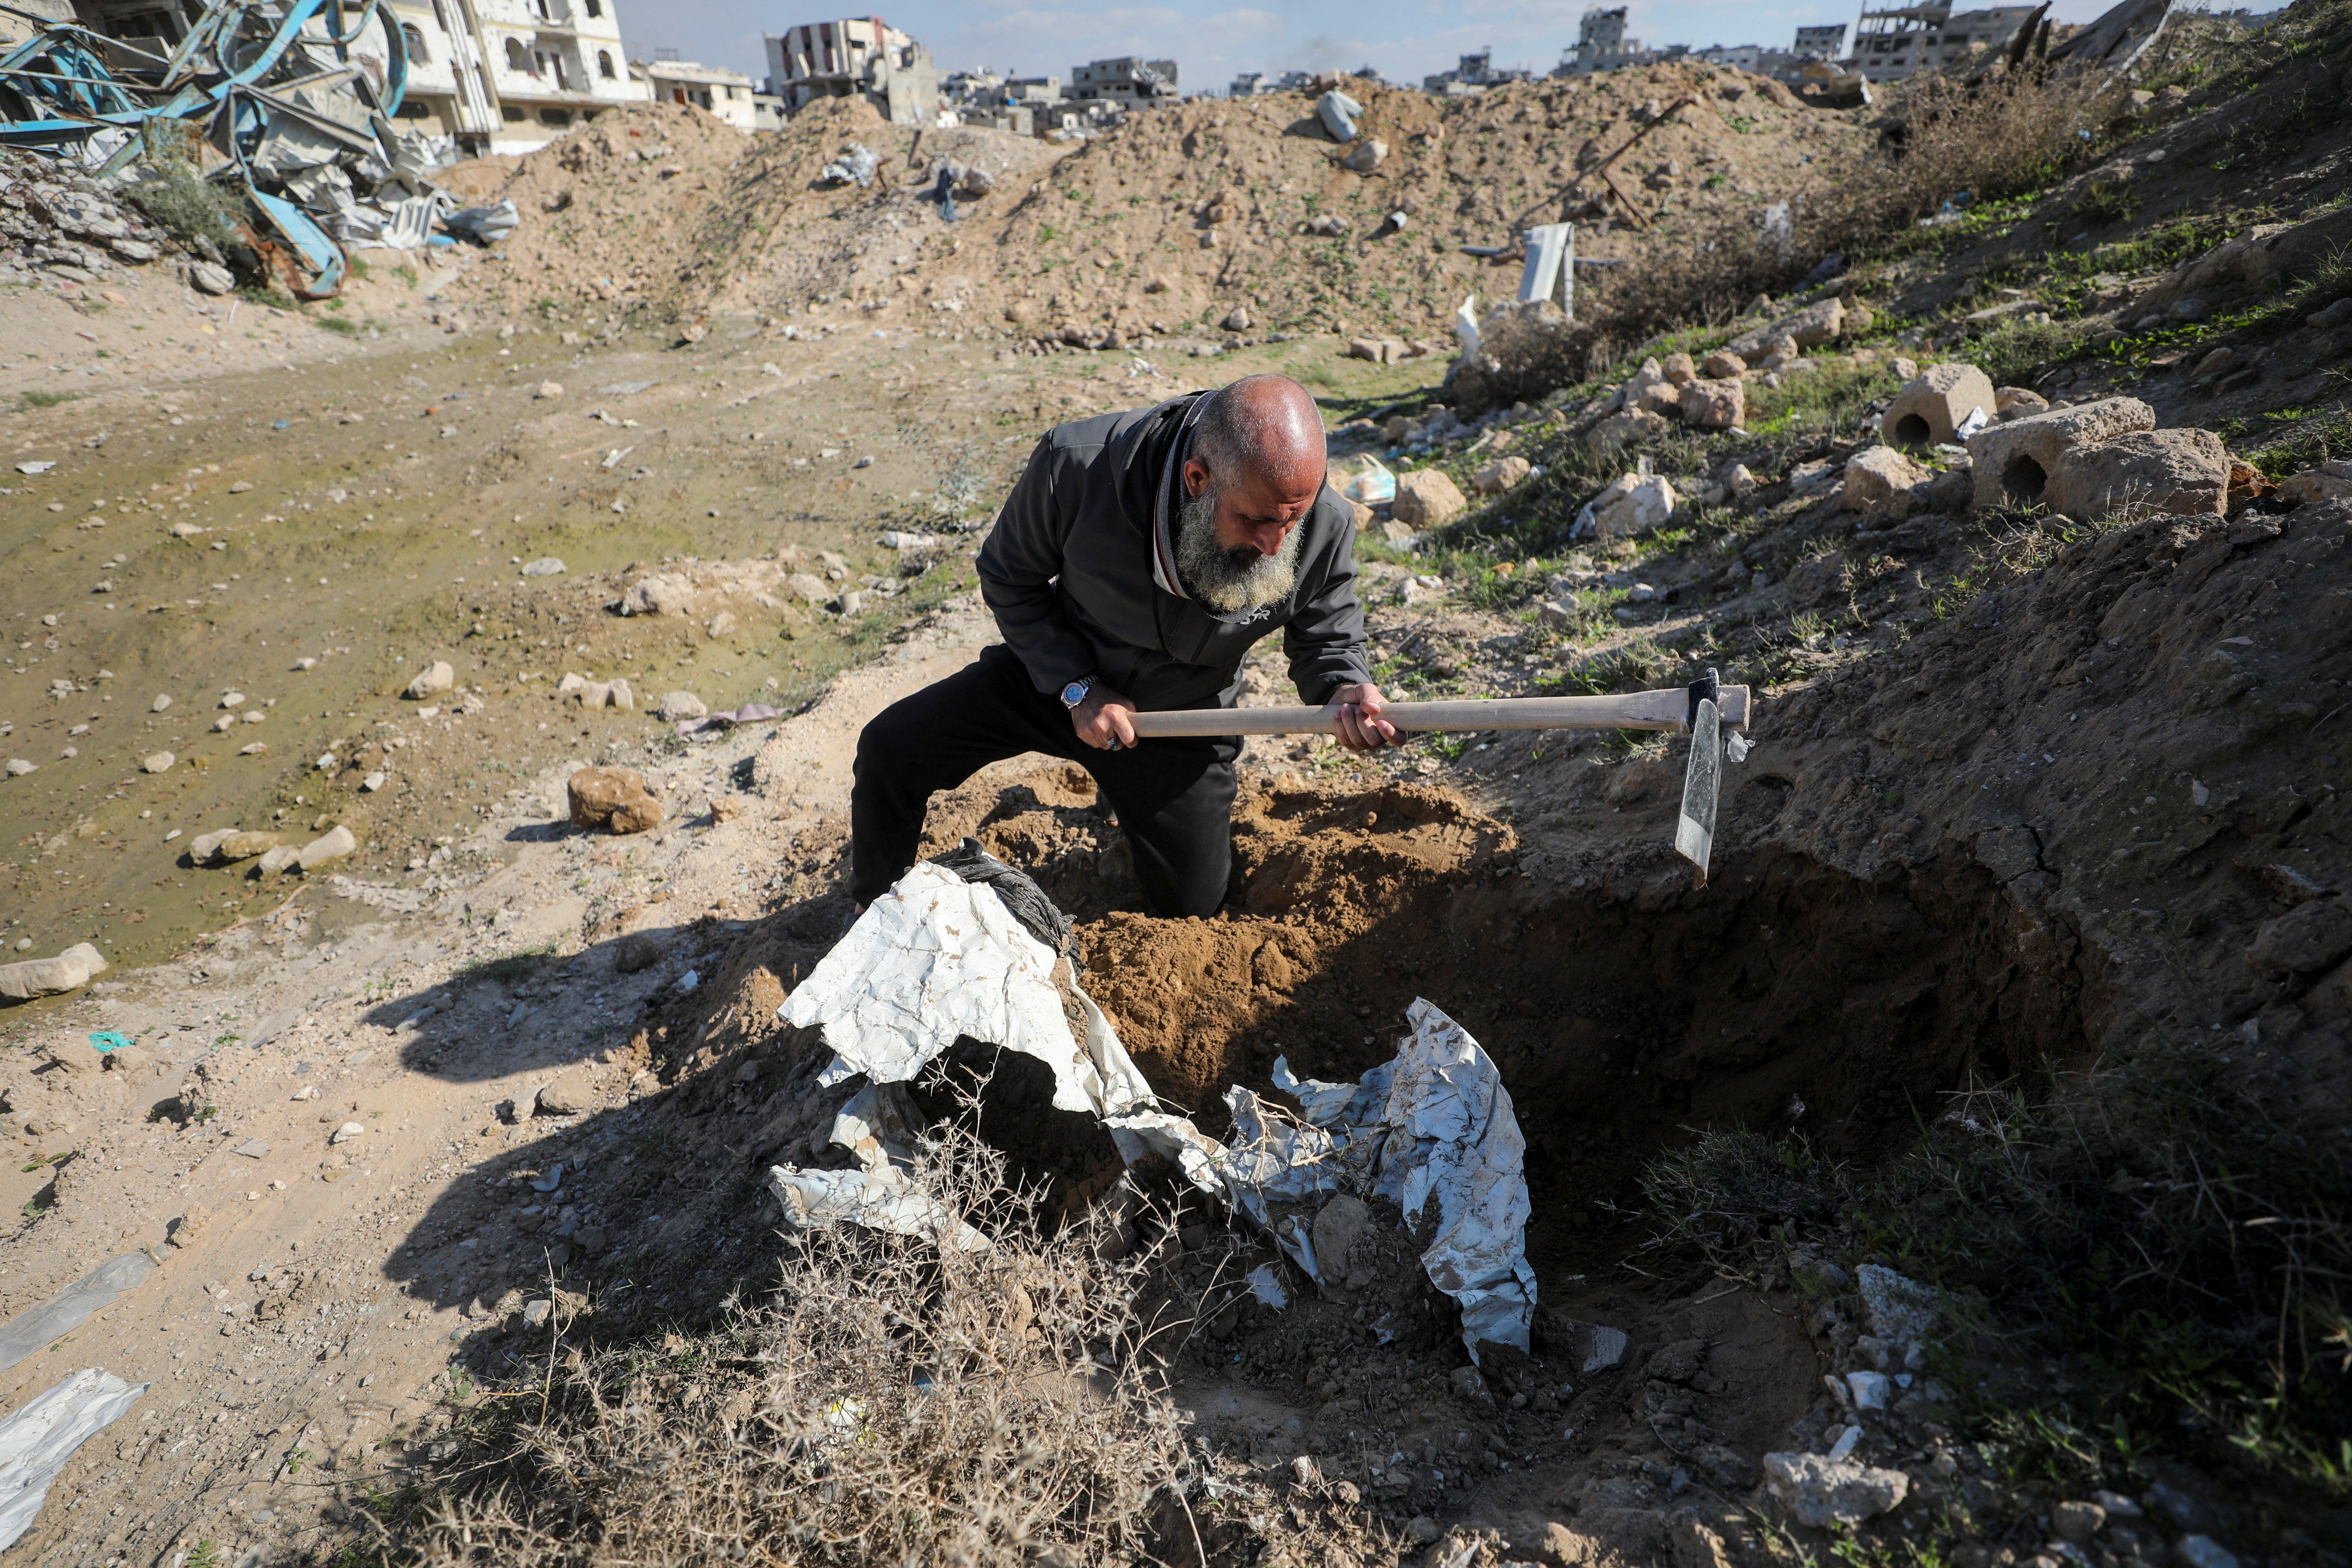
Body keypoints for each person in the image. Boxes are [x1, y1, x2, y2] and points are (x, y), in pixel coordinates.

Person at [849, 373, 1395, 917]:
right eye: (1254, 520)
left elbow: (1327, 633)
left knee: (1192, 908)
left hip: (1182, 718)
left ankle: (1130, 798)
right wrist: (1077, 686)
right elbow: (1007, 575)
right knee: (889, 749)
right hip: (1056, 678)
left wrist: (1345, 684)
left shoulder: (1320, 520)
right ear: (1197, 479)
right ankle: (872, 912)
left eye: (1292, 518)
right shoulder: (1078, 467)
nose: (1276, 543)